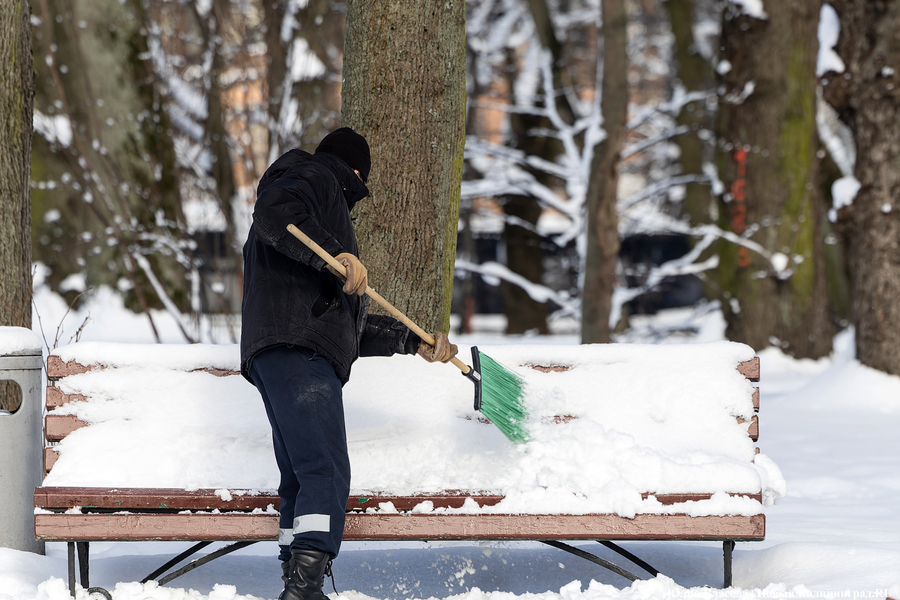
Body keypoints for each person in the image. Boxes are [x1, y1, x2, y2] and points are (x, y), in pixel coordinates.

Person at [240, 127, 459, 600]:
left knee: (301, 477)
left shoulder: (309, 220)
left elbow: (340, 325)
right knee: (326, 469)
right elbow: (277, 211)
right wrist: (335, 253)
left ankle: (296, 580)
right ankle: (304, 591)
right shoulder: (312, 176)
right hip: (300, 350)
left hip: (285, 347)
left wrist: (409, 339)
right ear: (354, 174)